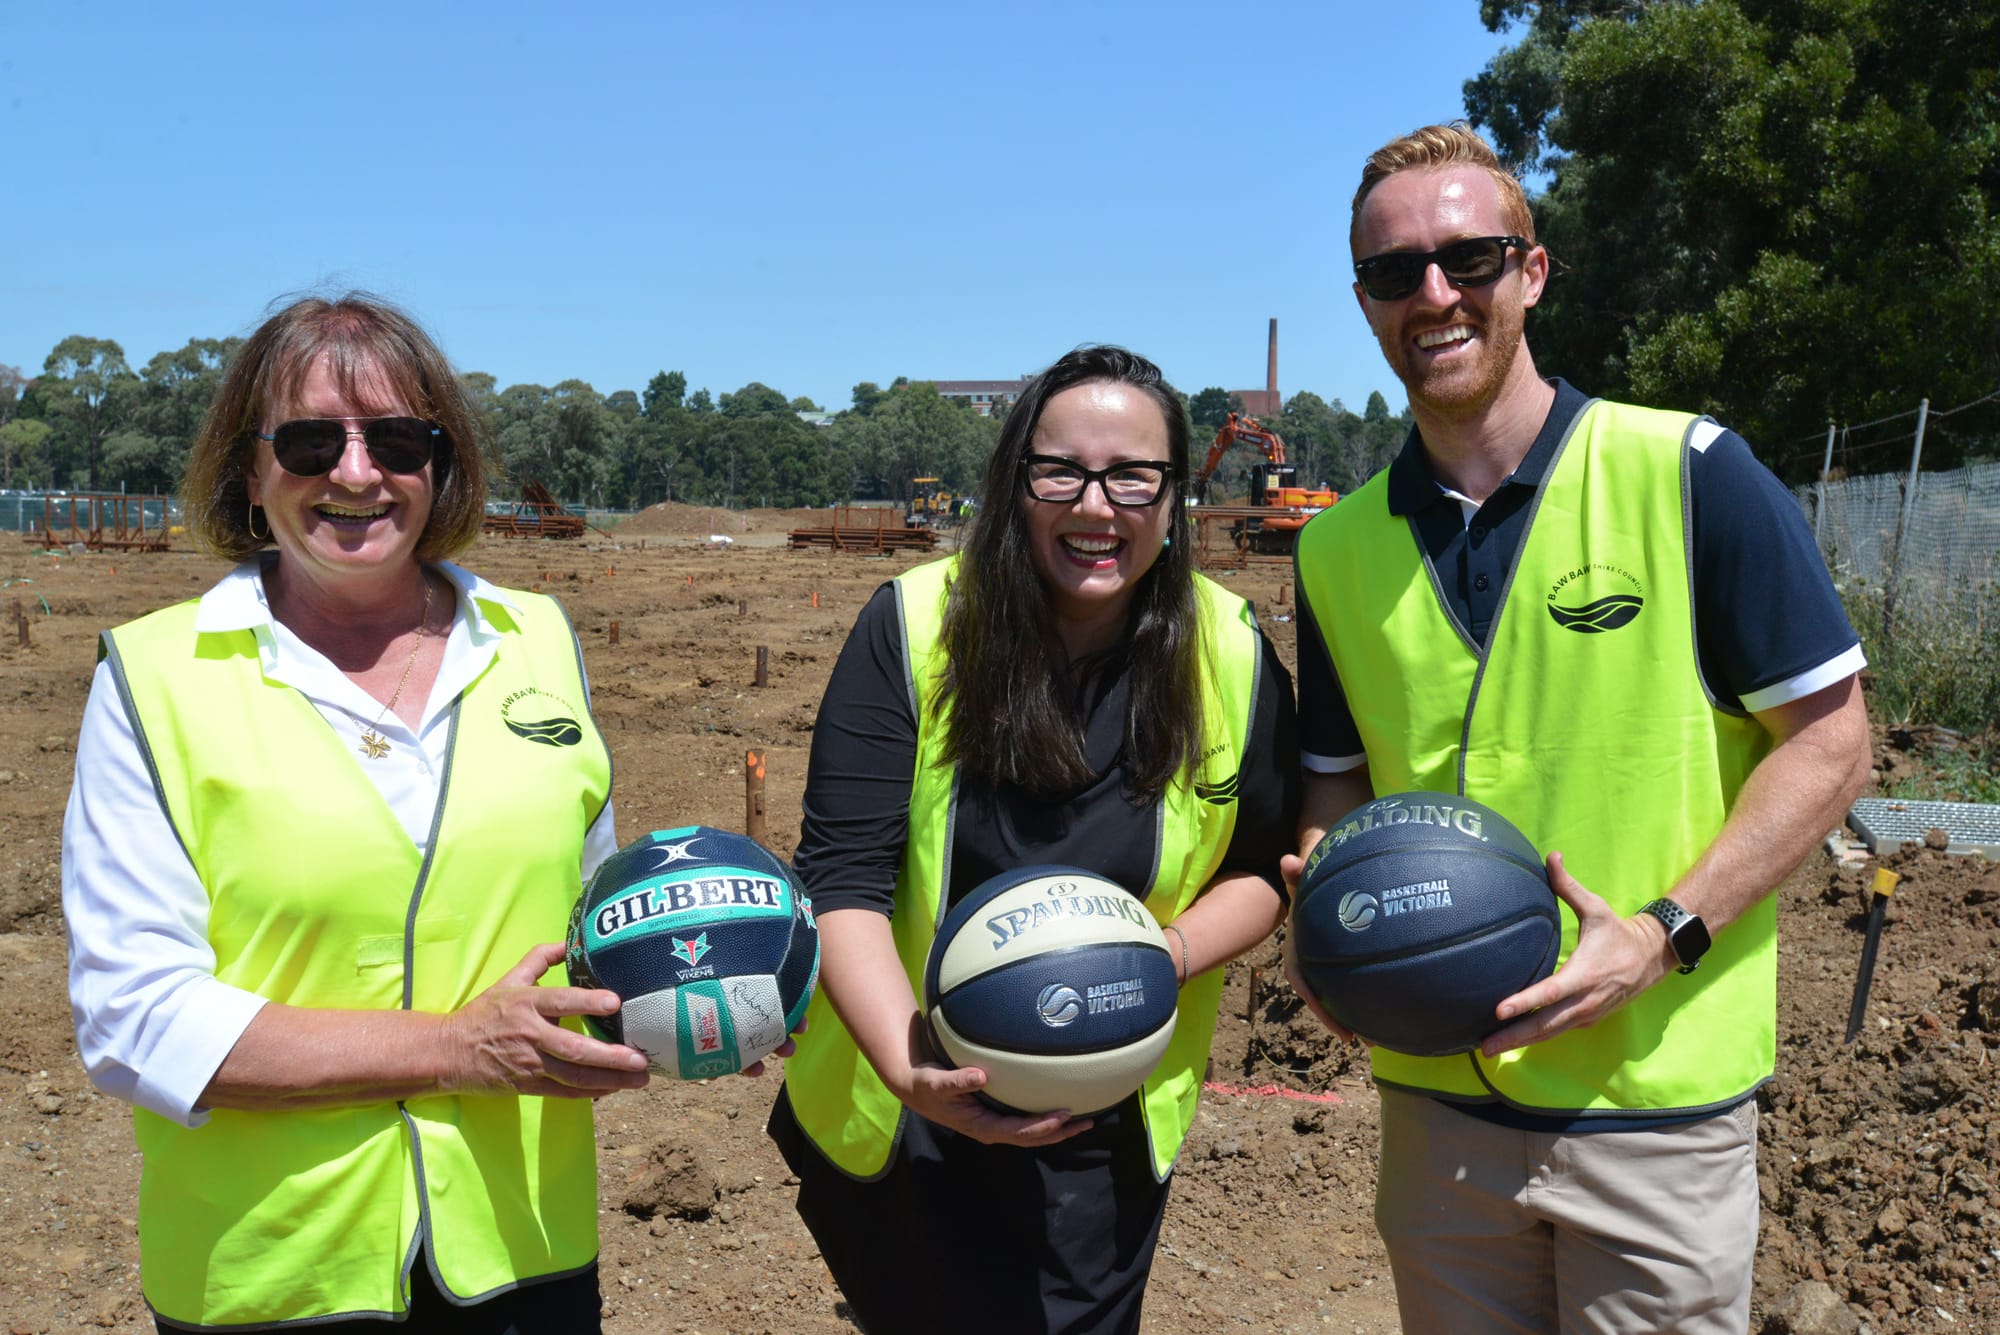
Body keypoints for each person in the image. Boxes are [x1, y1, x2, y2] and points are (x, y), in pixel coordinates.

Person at [1285, 123, 1873, 1334]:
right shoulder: (1333, 547)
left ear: (1532, 272)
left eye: (1471, 259)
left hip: (1652, 1105)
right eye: (1395, 274)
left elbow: (1829, 743)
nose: (1434, 296)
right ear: (1364, 302)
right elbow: (1337, 795)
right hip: (1437, 1113)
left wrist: (1663, 932)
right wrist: (1323, 917)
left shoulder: (1688, 471)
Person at [61, 293, 653, 1332]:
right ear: (248, 472)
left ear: (442, 462)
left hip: (525, 1256)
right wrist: (454, 1050)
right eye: (305, 441)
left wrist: (694, 979)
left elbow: (587, 930)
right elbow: (135, 1019)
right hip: (270, 1277)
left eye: (396, 439)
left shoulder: (537, 641)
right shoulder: (155, 677)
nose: (354, 473)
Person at [769, 346, 1299, 1335]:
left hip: (1104, 1114)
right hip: (910, 1106)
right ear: (1015, 480)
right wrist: (907, 1068)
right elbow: (840, 877)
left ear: (1172, 494)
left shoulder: (1226, 647)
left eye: (1131, 476)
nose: (1094, 507)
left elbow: (1264, 863)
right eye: (1060, 471)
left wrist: (1156, 961)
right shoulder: (914, 625)